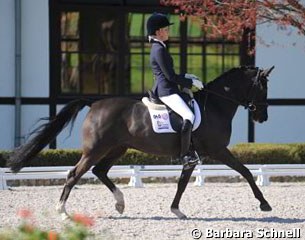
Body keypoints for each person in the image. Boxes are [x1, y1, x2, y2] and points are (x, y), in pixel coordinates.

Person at [146, 12, 204, 167]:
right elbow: (170, 77)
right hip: (166, 91)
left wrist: (186, 75)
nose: (168, 32)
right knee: (188, 116)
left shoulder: (159, 47)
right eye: (166, 29)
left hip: (167, 88)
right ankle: (184, 156)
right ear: (158, 32)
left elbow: (170, 73)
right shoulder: (159, 49)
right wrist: (190, 81)